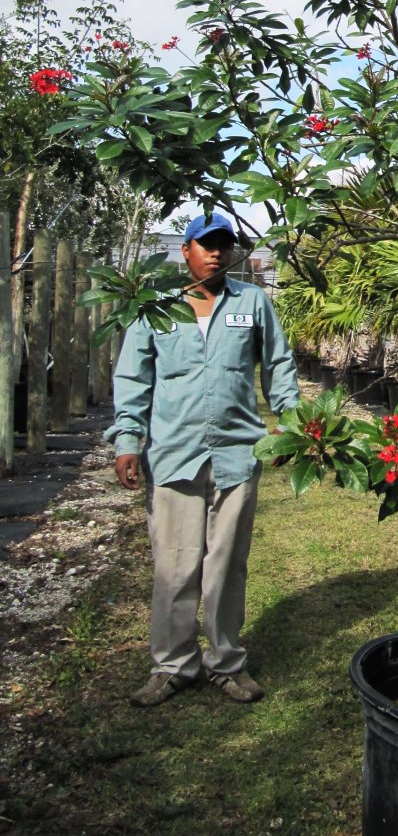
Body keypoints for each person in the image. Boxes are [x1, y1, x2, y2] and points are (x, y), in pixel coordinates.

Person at [107, 212, 300, 707]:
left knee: (227, 565)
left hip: (237, 454)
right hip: (173, 455)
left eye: (224, 245)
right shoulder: (156, 307)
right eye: (206, 244)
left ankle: (226, 662)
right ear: (185, 250)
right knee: (174, 565)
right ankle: (172, 666)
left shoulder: (253, 302)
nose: (216, 253)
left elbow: (278, 363)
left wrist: (292, 425)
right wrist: (128, 441)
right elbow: (133, 378)